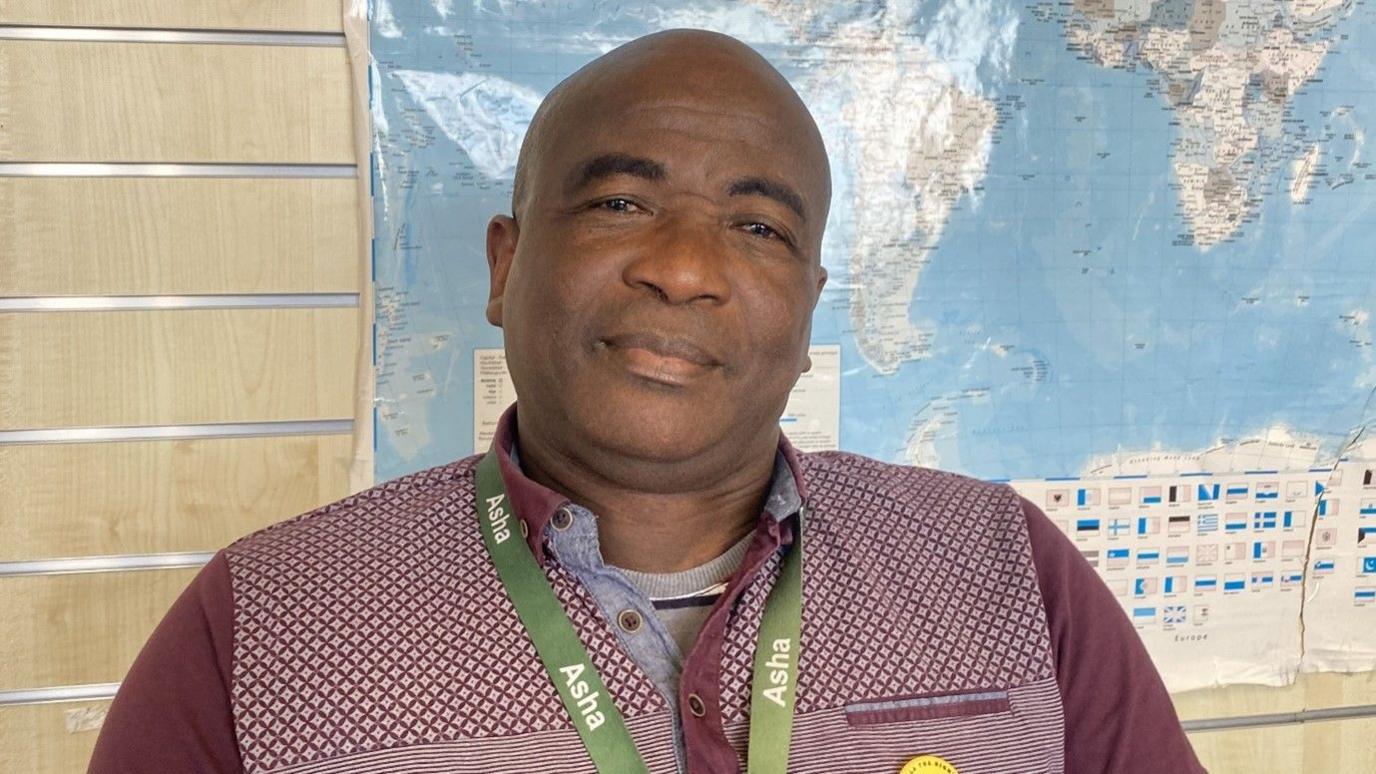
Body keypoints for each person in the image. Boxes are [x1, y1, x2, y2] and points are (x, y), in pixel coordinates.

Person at [89, 29, 1203, 773]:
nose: (682, 267)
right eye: (621, 201)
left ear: (807, 308)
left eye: (757, 226)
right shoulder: (268, 620)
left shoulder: (1003, 568)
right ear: (503, 267)